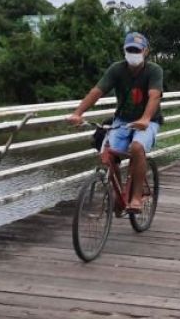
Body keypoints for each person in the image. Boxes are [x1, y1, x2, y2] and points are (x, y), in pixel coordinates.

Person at [67, 32, 163, 212]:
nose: (133, 53)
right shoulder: (116, 69)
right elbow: (97, 91)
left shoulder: (154, 71)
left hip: (148, 121)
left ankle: (135, 198)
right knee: (108, 154)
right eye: (130, 49)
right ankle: (119, 196)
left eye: (137, 50)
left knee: (136, 148)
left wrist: (145, 119)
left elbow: (154, 95)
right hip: (122, 120)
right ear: (124, 51)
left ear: (146, 51)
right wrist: (78, 113)